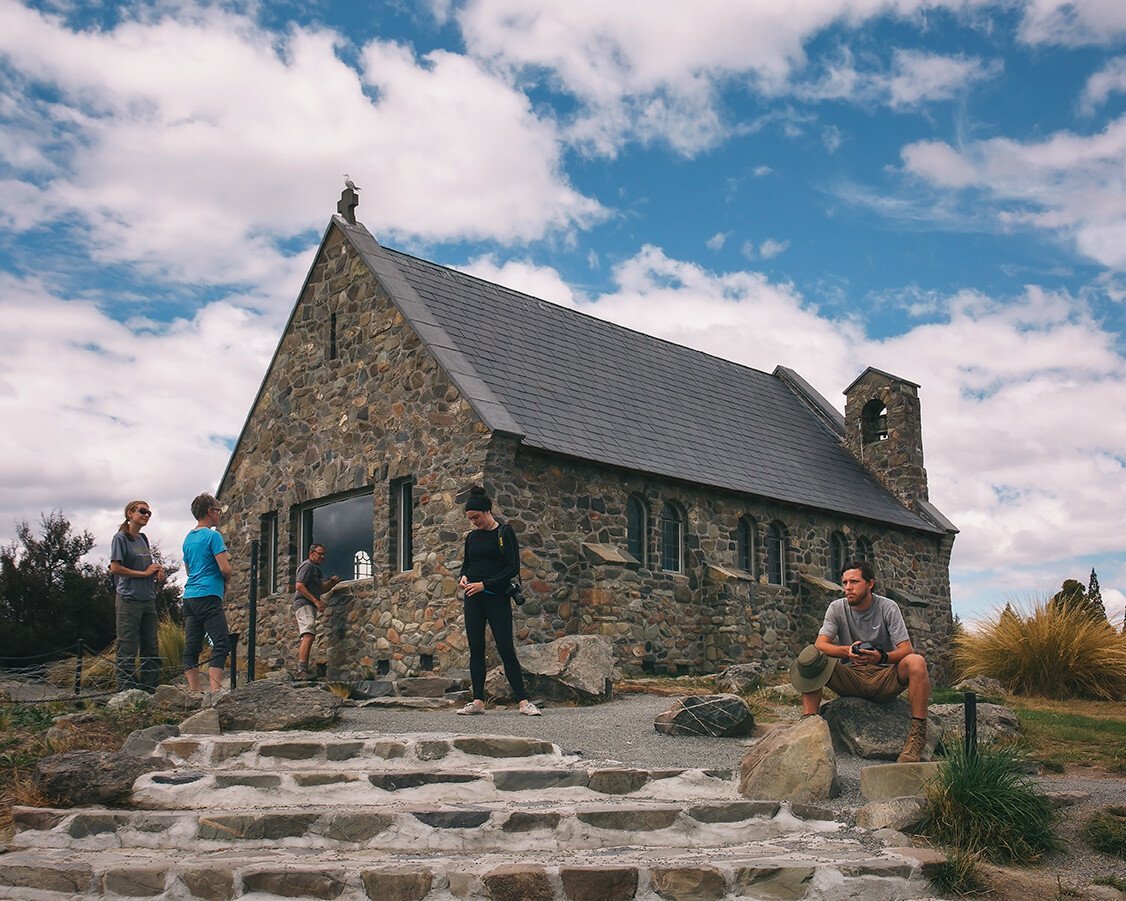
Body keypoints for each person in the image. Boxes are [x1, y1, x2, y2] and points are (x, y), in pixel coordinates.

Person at [790, 559, 931, 763]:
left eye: (854, 582)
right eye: (845, 582)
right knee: (811, 657)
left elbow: (906, 649)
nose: (848, 588)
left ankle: (917, 737)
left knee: (916, 661)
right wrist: (846, 651)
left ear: (870, 584)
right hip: (851, 677)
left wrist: (881, 657)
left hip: (883, 678)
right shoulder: (836, 608)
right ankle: (808, 728)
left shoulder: (888, 607)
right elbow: (820, 644)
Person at [456, 486, 540, 716]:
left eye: (476, 517)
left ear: (487, 511)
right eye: (470, 518)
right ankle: (478, 702)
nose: (473, 522)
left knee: (505, 648)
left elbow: (512, 567)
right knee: (476, 649)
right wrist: (463, 577)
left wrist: (485, 584)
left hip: (496, 598)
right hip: (473, 598)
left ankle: (523, 702)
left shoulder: (505, 532)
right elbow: (466, 564)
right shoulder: (472, 537)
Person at [109, 500, 165, 692]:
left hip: (147, 598)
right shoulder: (120, 538)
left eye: (149, 512)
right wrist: (144, 574)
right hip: (129, 599)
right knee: (128, 647)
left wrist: (156, 571)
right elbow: (115, 567)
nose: (146, 515)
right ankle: (126, 692)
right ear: (130, 514)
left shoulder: (143, 539)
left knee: (151, 647)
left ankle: (150, 690)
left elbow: (146, 565)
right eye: (142, 511)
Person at [181, 493, 232, 692]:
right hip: (209, 595)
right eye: (218, 511)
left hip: (190, 596)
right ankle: (215, 691)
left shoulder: (188, 538)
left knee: (192, 645)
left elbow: (188, 569)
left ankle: (194, 691)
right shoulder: (213, 536)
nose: (219, 515)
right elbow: (224, 568)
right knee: (221, 642)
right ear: (210, 512)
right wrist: (228, 577)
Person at [293, 543, 340, 679]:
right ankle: (302, 670)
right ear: (311, 553)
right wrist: (316, 601)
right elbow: (299, 586)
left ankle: (303, 669)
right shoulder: (308, 566)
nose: (322, 557)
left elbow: (320, 589)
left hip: (308, 605)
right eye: (319, 554)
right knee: (308, 634)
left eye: (324, 554)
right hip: (304, 604)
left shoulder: (315, 568)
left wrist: (331, 583)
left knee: (309, 634)